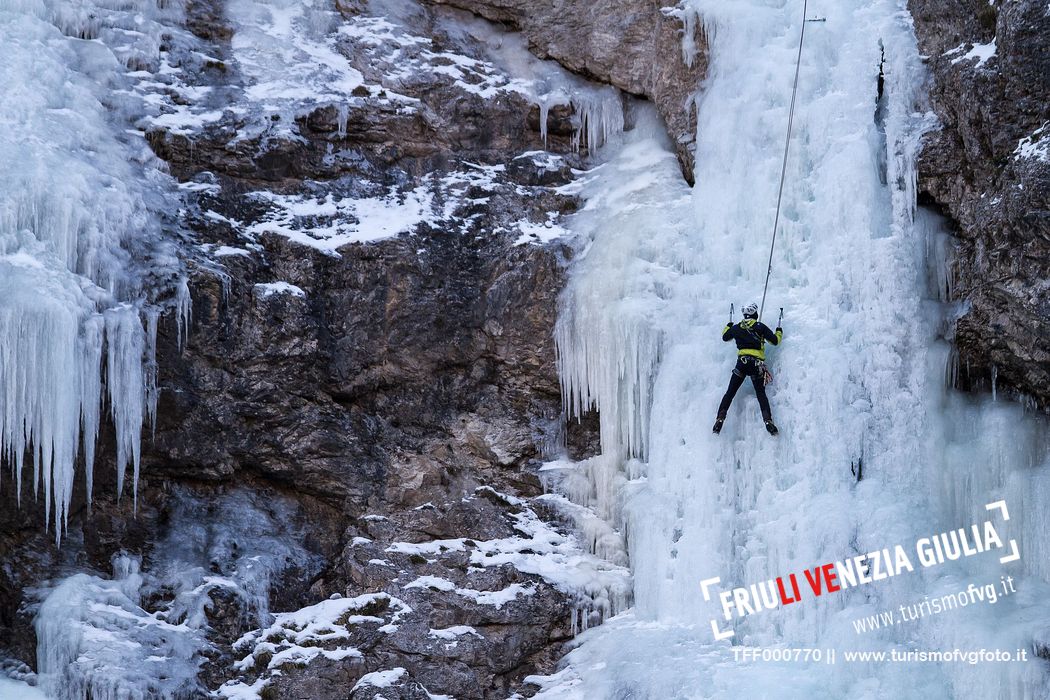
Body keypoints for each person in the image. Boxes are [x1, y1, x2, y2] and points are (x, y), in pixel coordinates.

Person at [713, 302, 783, 435]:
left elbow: (725, 337)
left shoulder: (736, 328)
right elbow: (775, 341)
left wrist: (728, 325)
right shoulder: (760, 327)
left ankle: (719, 420)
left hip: (742, 364)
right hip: (756, 365)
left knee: (730, 393)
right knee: (761, 394)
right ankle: (768, 422)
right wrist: (779, 331)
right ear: (755, 314)